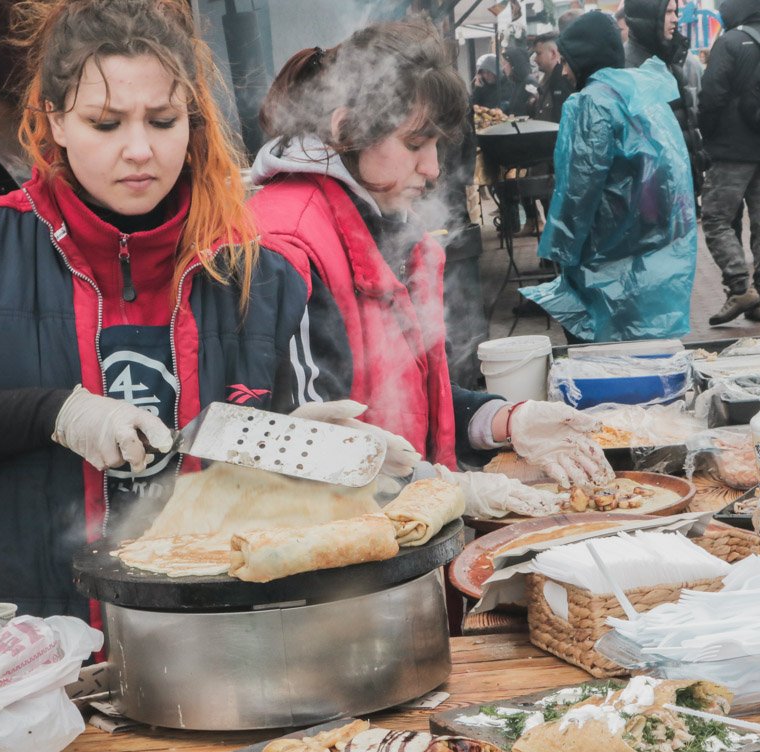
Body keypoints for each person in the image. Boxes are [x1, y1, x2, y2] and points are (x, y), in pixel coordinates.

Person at [0, 0, 354, 618]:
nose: (139, 149)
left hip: (204, 636)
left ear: (192, 123)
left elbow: (272, 463)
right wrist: (59, 413)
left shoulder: (257, 269)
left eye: (163, 120)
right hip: (21, 639)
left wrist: (315, 447)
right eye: (105, 123)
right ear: (55, 122)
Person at [248, 19, 614, 517]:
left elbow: (408, 400)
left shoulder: (390, 228)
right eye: (415, 144)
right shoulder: (285, 243)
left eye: (437, 145)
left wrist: (506, 419)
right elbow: (302, 444)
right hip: (340, 563)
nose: (434, 168)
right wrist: (444, 490)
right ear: (346, 129)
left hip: (401, 537)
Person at [522, 10, 698, 342]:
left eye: (568, 58)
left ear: (584, 56)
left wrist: (559, 253)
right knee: (642, 354)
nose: (565, 68)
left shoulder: (590, 103)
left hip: (603, 259)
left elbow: (578, 191)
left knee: (600, 361)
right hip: (650, 254)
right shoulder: (643, 95)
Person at [698, 0, 760, 325]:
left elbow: (711, 95)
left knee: (716, 219)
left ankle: (739, 287)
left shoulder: (729, 42)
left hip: (732, 151)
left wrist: (709, 136)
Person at [624, 0, 706, 194]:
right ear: (648, 17)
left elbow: (683, 119)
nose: (675, 19)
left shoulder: (669, 56)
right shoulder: (629, 66)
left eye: (675, 12)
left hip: (677, 181)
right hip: (653, 189)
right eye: (668, 12)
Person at [532, 31, 574, 124]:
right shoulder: (548, 79)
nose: (535, 59)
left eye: (539, 54)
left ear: (553, 54)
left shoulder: (563, 81)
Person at [501, 44, 539, 116]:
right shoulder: (516, 83)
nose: (503, 68)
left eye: (504, 64)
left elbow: (533, 109)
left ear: (514, 64)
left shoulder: (529, 83)